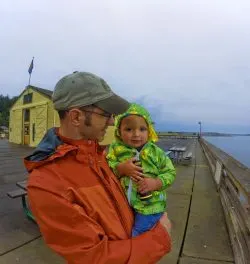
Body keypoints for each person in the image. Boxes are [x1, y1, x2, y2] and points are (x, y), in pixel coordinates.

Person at [24, 71, 172, 264]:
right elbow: (93, 258)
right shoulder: (47, 184)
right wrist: (160, 238)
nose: (112, 122)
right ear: (76, 117)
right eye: (105, 114)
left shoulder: (97, 155)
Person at [107, 103, 176, 237]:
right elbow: (107, 168)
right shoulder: (116, 150)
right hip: (122, 204)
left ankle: (138, 254)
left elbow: (170, 172)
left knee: (137, 235)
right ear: (118, 131)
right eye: (129, 129)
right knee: (120, 231)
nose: (136, 134)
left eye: (142, 129)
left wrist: (156, 183)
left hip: (150, 207)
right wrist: (120, 168)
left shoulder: (156, 153)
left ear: (149, 130)